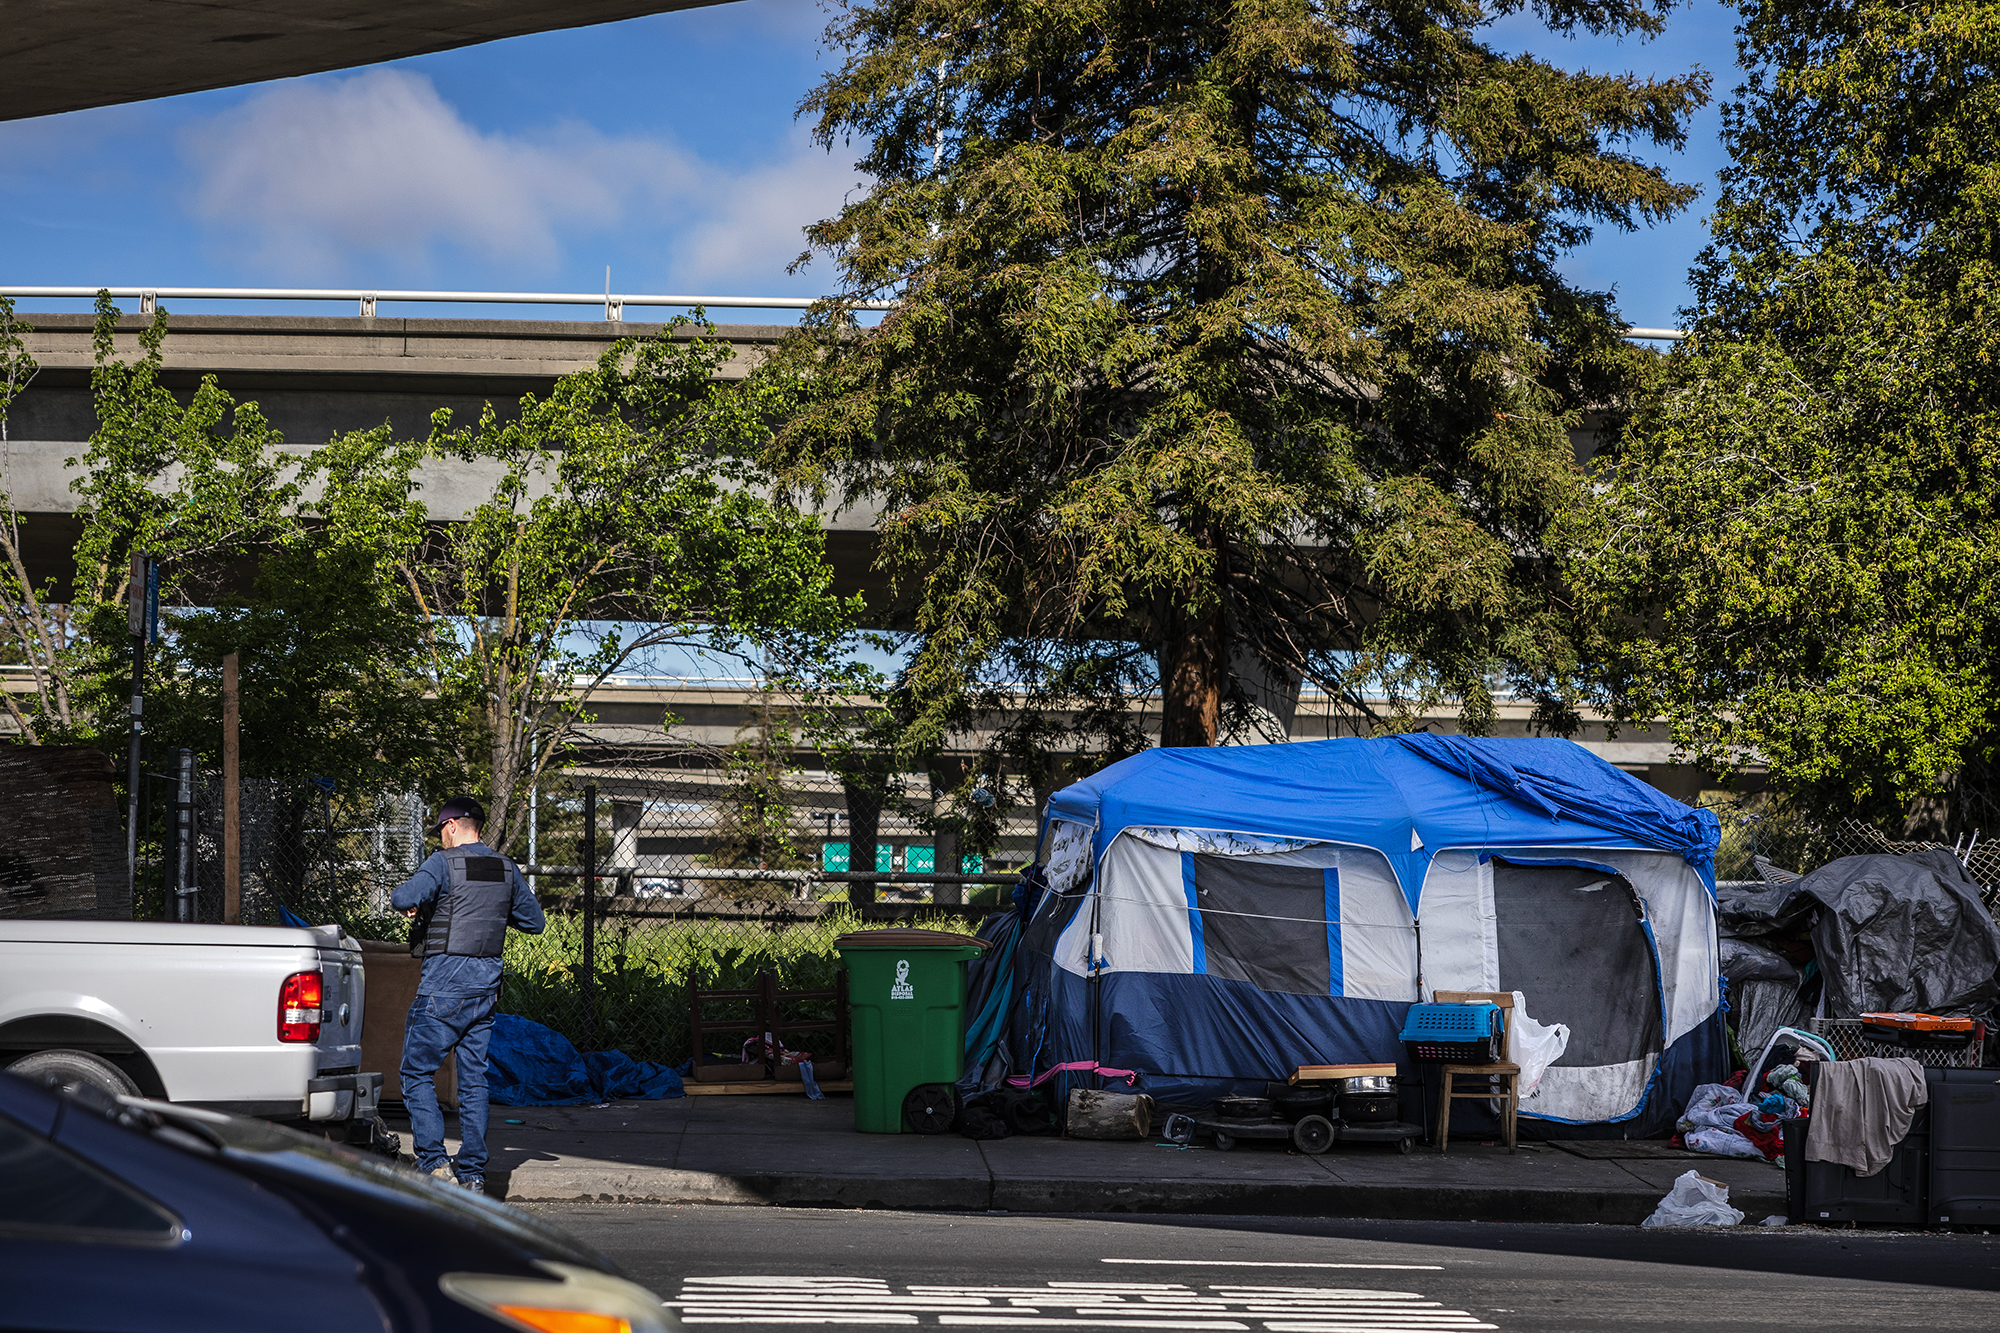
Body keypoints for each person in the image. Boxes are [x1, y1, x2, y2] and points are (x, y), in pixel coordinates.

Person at [390, 795, 544, 1193]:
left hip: (443, 988)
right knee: (474, 1081)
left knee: (416, 1072)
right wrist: (491, 908)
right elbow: (534, 921)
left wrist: (423, 905)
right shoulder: (506, 868)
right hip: (484, 991)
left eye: (441, 830)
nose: (440, 838)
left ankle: (435, 1163)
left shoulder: (442, 864)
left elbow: (402, 898)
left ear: (454, 826)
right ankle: (473, 1172)